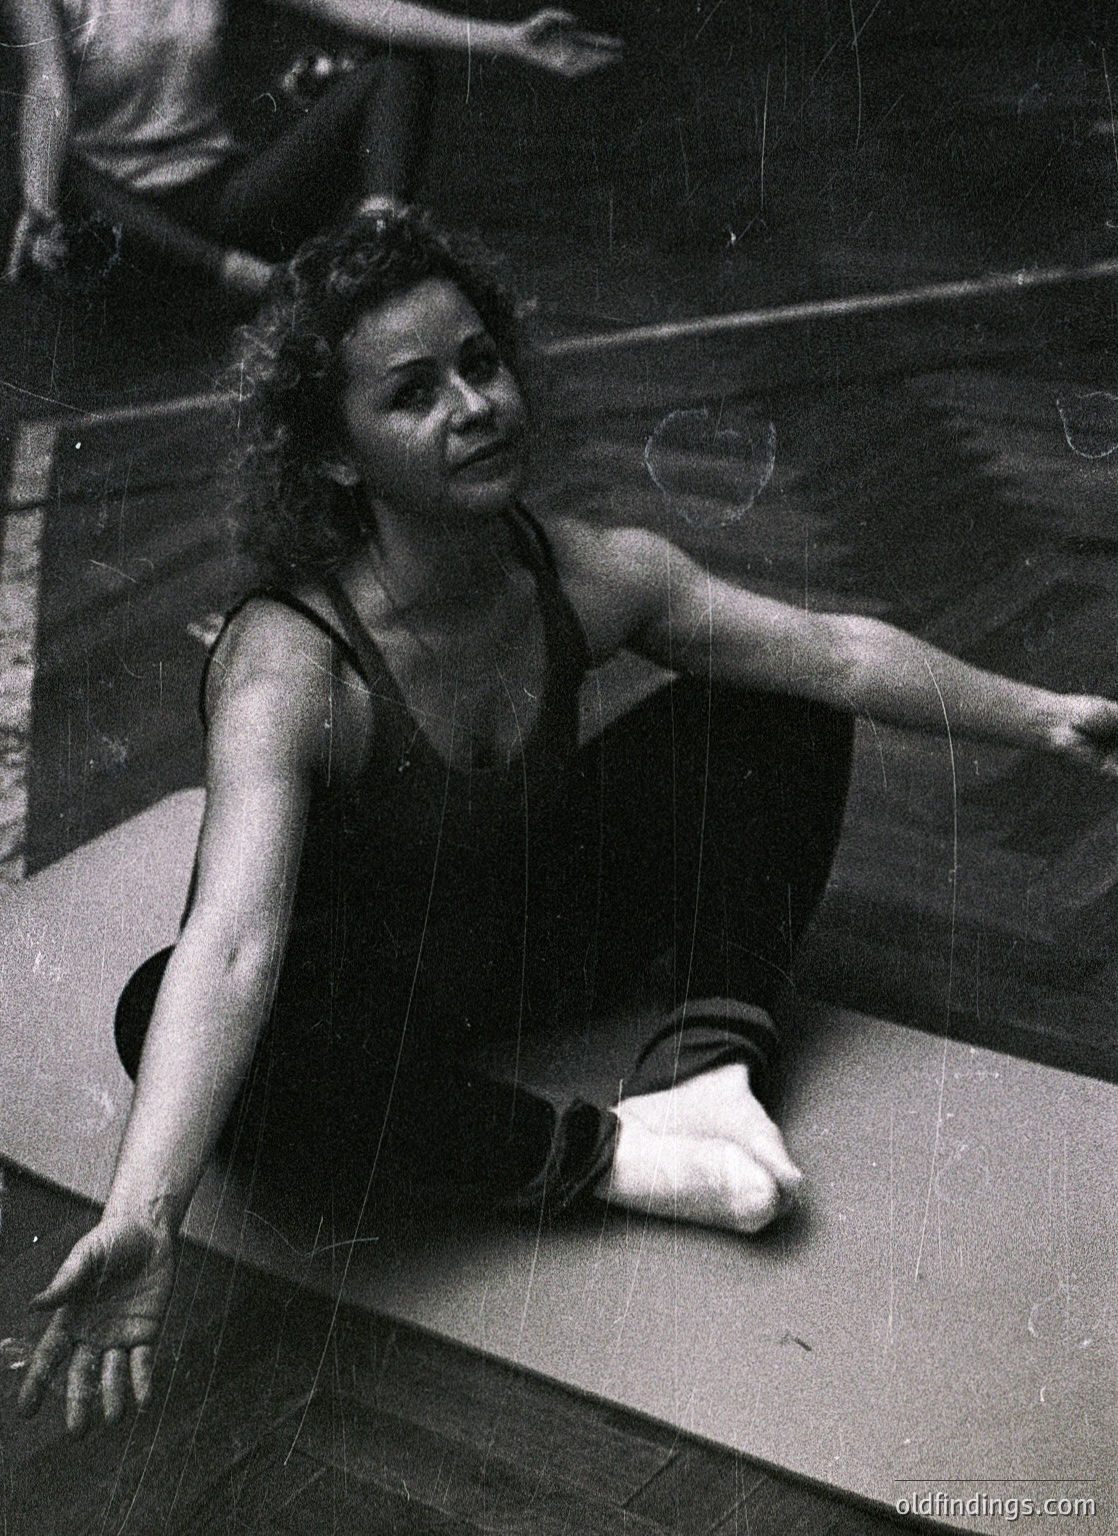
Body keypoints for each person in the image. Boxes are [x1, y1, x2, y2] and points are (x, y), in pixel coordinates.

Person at [17, 199, 1118, 1435]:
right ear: (333, 455)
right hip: (370, 1021)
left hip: (522, 936)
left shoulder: (585, 570)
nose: (472, 406)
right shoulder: (293, 669)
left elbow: (834, 655)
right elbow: (232, 949)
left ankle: (708, 1075)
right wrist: (141, 1211)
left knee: (770, 705)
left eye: (479, 364)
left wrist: (1048, 716)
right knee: (156, 1001)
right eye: (412, 394)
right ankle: (605, 1160)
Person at [2, 0, 620, 294]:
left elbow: (343, 4)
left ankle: (380, 245)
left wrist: (508, 39)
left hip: (222, 196)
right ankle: (254, 282)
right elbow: (46, 91)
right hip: (130, 229)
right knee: (68, 174)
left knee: (393, 67)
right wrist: (38, 202)